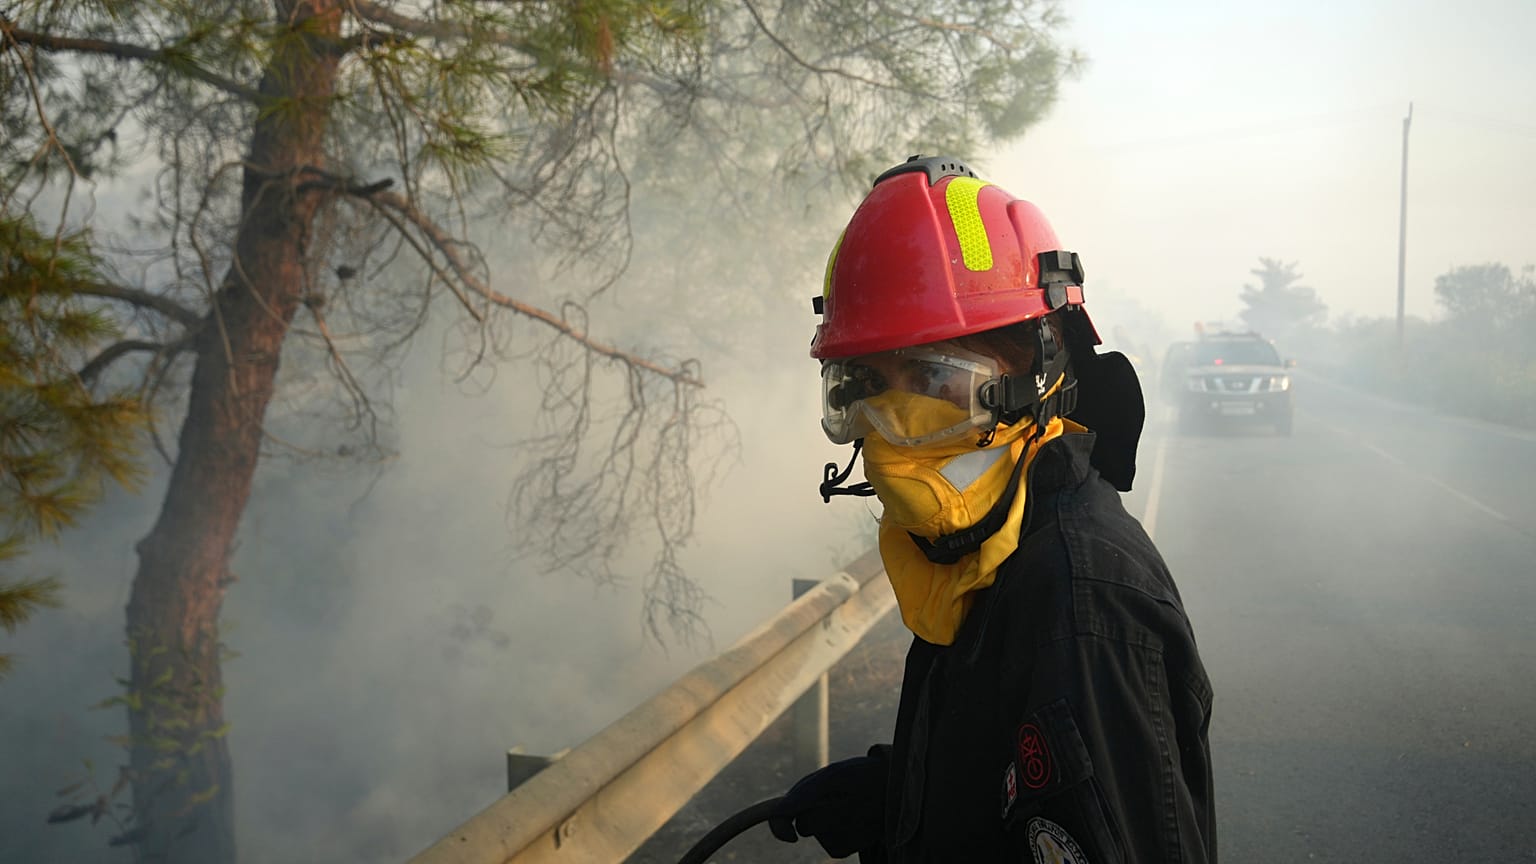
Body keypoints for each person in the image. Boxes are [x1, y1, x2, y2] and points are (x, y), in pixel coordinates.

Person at [769, 156, 1216, 863]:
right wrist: (898, 800)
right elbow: (1011, 783)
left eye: (933, 380)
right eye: (865, 387)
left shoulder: (1082, 604)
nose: (892, 432)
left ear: (1037, 381)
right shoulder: (984, 554)